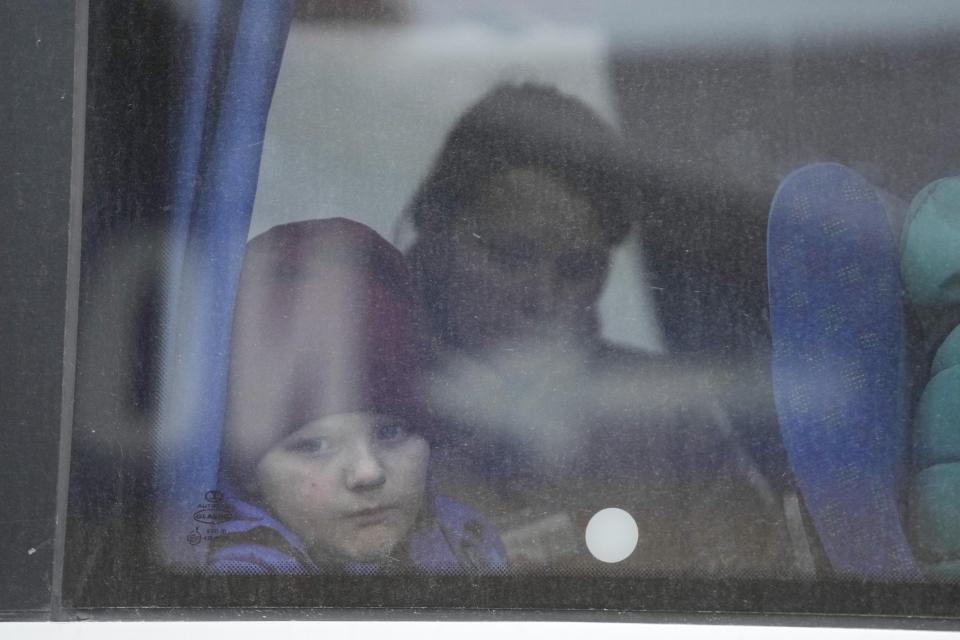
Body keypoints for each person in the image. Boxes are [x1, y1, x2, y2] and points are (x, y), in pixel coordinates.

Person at [403, 83, 791, 574]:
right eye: (509, 255)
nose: (543, 300)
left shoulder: (666, 421)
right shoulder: (351, 411)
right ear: (433, 225)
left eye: (577, 268)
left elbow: (752, 592)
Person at [208, 217, 507, 574]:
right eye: (313, 445)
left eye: (390, 432)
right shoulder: (240, 572)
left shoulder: (464, 541)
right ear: (249, 473)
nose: (368, 473)